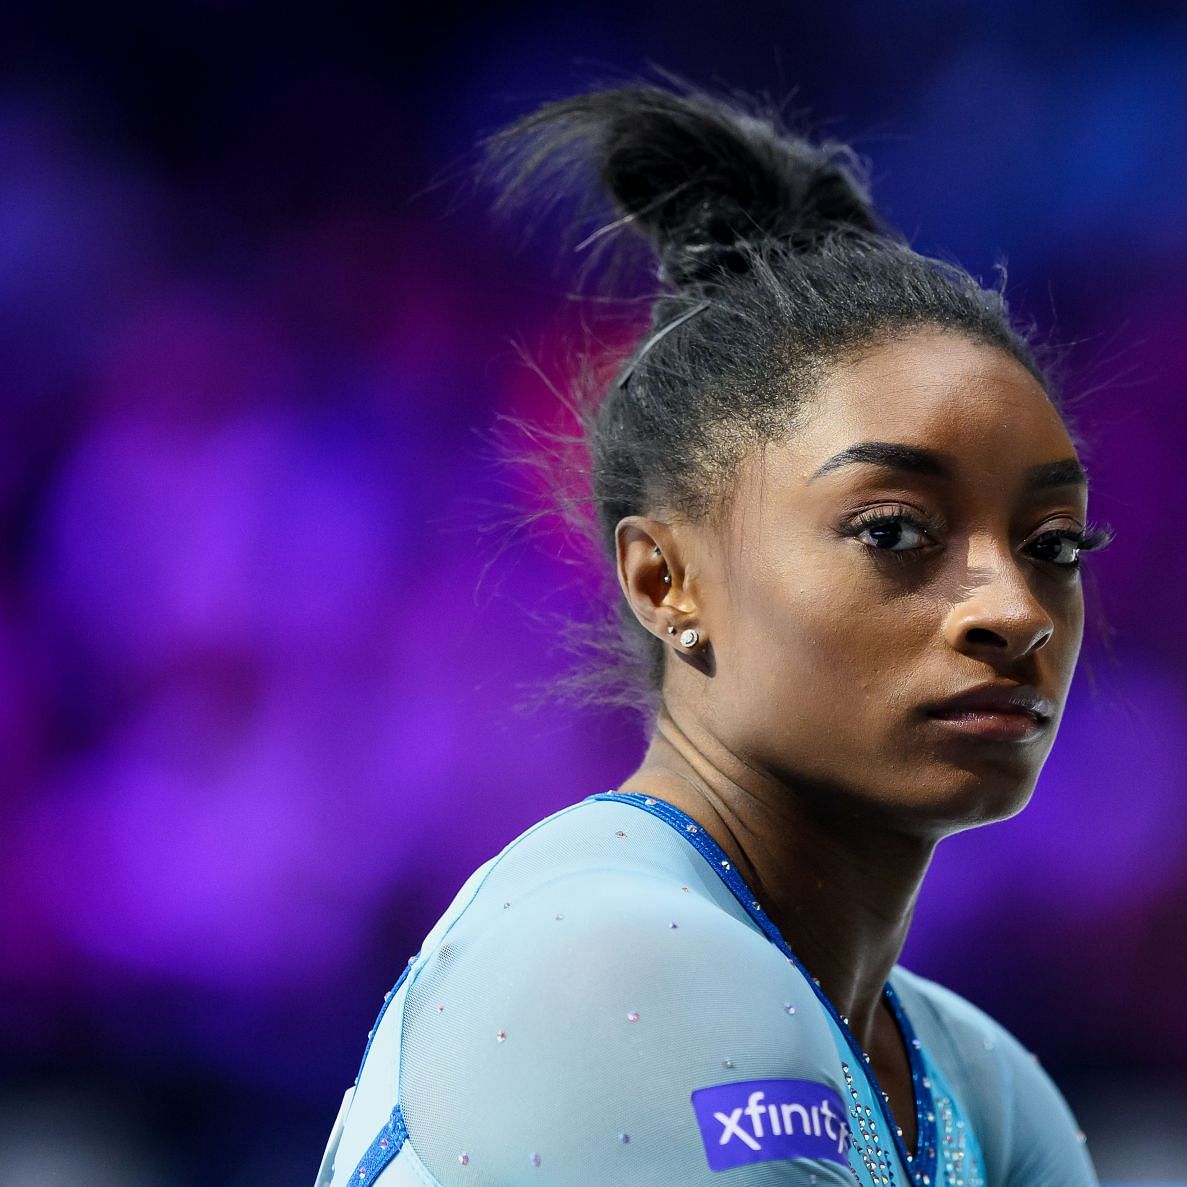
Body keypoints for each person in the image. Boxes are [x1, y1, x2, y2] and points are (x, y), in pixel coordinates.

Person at [315, 75, 1113, 1186]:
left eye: (1055, 544)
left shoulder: (977, 1081)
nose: (1016, 610)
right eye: (893, 532)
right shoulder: (619, 965)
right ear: (665, 578)